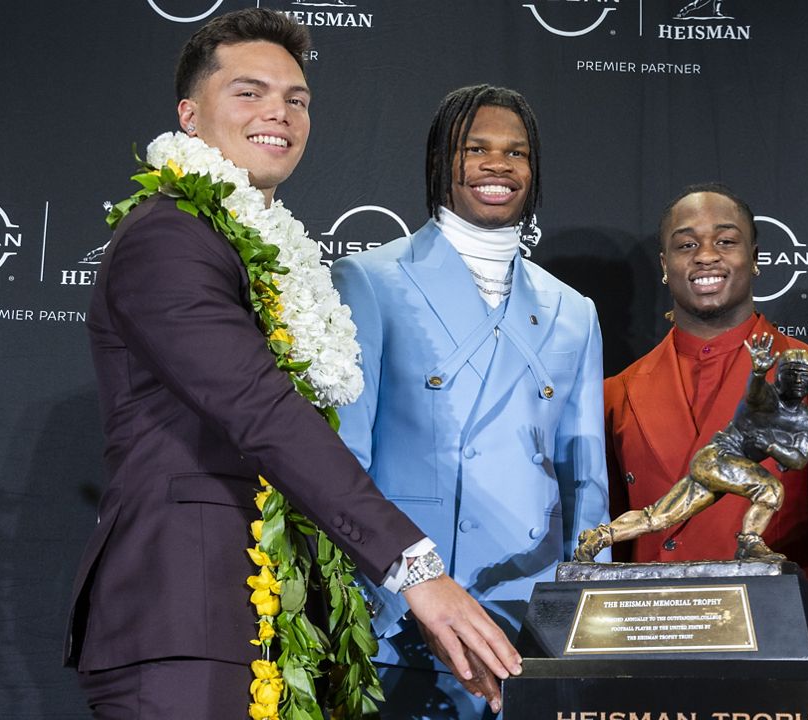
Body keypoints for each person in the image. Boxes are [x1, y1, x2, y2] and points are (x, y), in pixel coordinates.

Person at [65, 10, 519, 718]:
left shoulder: (260, 250)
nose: (278, 111)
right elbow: (259, 407)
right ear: (190, 115)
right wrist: (415, 568)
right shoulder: (169, 236)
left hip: (271, 622)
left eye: (296, 98)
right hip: (183, 618)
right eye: (248, 92)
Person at [331, 84, 609, 718]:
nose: (497, 165)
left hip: (526, 623)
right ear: (441, 161)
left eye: (516, 152)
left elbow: (585, 484)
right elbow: (342, 463)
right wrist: (376, 596)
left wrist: (581, 620)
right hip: (401, 615)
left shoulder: (574, 310)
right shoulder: (367, 281)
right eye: (475, 147)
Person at [600, 184, 808, 654]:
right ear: (664, 265)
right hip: (649, 646)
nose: (706, 256)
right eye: (686, 244)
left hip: (778, 646)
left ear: (755, 259)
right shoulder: (618, 392)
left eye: (726, 241)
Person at [576, 333, 808, 563]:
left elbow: (798, 459)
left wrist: (771, 445)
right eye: (791, 373)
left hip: (717, 467)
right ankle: (749, 542)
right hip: (717, 457)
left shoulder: (807, 421)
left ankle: (600, 536)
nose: (797, 380)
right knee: (771, 489)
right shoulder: (766, 397)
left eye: (804, 375)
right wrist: (757, 372)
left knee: (658, 516)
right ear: (778, 376)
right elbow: (755, 394)